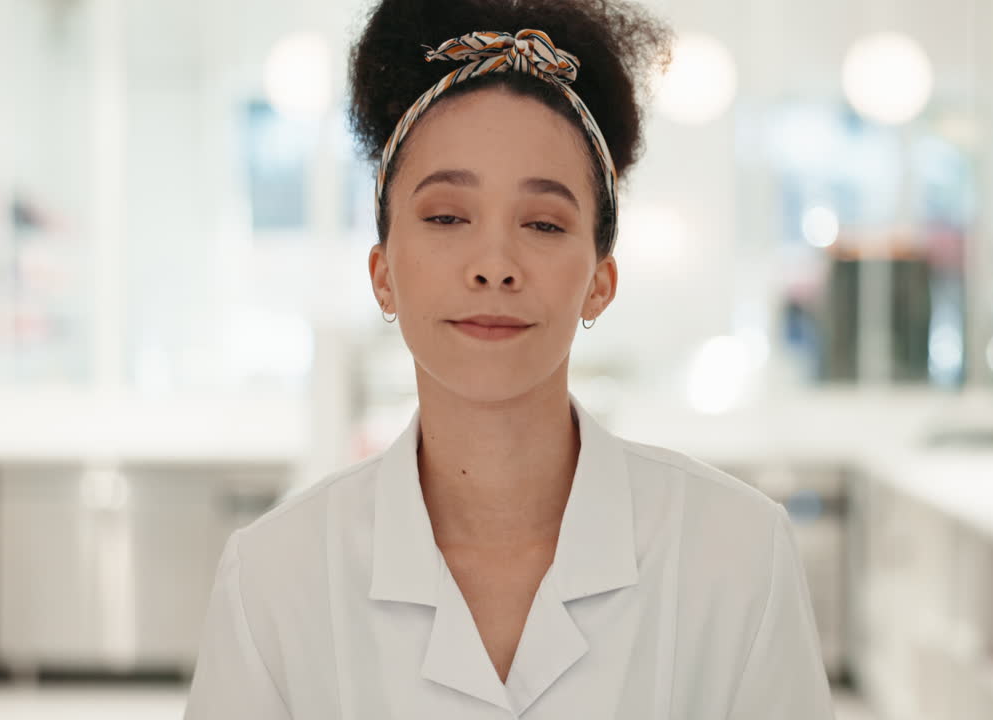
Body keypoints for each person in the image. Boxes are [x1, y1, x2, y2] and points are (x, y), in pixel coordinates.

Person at [183, 0, 836, 717]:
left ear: (600, 280)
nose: (494, 265)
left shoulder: (737, 556)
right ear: (382, 273)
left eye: (544, 223)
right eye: (446, 217)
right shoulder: (274, 579)